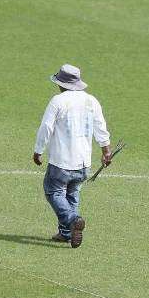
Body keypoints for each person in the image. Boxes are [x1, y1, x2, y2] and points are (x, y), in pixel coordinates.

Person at [33, 64, 112, 248]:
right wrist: (106, 151)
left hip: (62, 160)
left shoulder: (58, 101)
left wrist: (38, 150)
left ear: (61, 84)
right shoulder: (91, 101)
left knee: (53, 191)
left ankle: (71, 220)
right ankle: (66, 233)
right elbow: (101, 128)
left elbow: (46, 127)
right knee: (72, 195)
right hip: (84, 162)